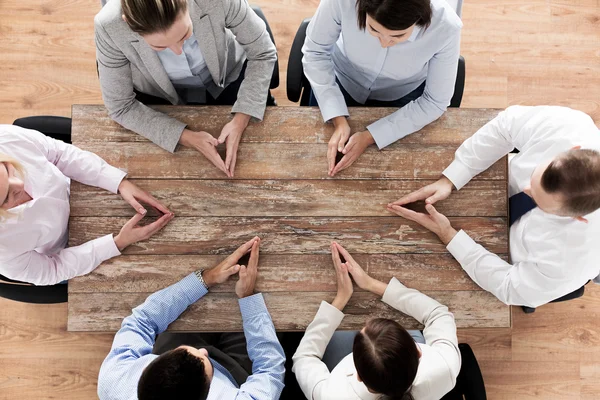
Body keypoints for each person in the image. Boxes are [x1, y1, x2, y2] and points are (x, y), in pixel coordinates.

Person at [388, 105, 600, 308]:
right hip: (489, 184)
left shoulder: (575, 259)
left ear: (579, 218)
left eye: (538, 200)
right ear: (572, 149)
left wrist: (449, 235)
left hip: (507, 257)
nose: (526, 189)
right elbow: (505, 126)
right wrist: (452, 177)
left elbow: (509, 287)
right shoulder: (570, 126)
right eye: (534, 179)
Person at [95, 0, 277, 177]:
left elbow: (262, 52)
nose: (178, 51)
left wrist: (242, 118)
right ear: (128, 24)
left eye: (184, 35)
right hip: (159, 94)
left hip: (226, 76)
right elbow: (120, 106)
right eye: (160, 47)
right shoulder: (109, 26)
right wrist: (187, 137)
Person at [97, 237, 286, 400]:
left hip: (174, 347)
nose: (203, 351)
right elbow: (270, 371)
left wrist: (205, 278)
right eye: (204, 357)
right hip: (235, 377)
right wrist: (248, 298)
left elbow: (142, 320)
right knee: (274, 326)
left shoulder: (115, 381)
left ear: (146, 368)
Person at [302, 0, 462, 176]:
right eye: (374, 30)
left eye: (399, 36)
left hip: (403, 93)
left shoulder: (446, 26)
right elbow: (315, 52)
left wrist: (371, 137)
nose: (385, 43)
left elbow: (435, 101)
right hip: (341, 79)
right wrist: (338, 119)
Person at [0, 124, 173, 286]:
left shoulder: (5, 138)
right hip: (69, 248)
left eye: (8, 169)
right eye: (7, 196)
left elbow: (59, 154)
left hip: (77, 187)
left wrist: (117, 182)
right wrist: (118, 243)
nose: (20, 184)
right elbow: (53, 269)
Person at [292, 242, 461, 400]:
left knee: (334, 337)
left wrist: (341, 299)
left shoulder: (334, 394)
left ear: (358, 375)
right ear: (418, 353)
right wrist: (370, 283)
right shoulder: (443, 367)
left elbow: (304, 358)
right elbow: (438, 314)